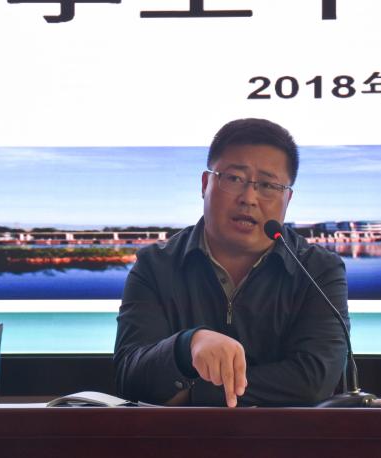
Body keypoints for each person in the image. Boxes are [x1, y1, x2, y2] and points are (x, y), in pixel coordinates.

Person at [114, 118, 349, 407]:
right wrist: (186, 346)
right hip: (178, 436)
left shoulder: (318, 269)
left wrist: (195, 397)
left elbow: (314, 381)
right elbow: (129, 377)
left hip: (283, 436)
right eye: (234, 178)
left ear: (287, 198)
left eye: (268, 185)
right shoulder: (155, 265)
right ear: (205, 184)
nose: (248, 198)